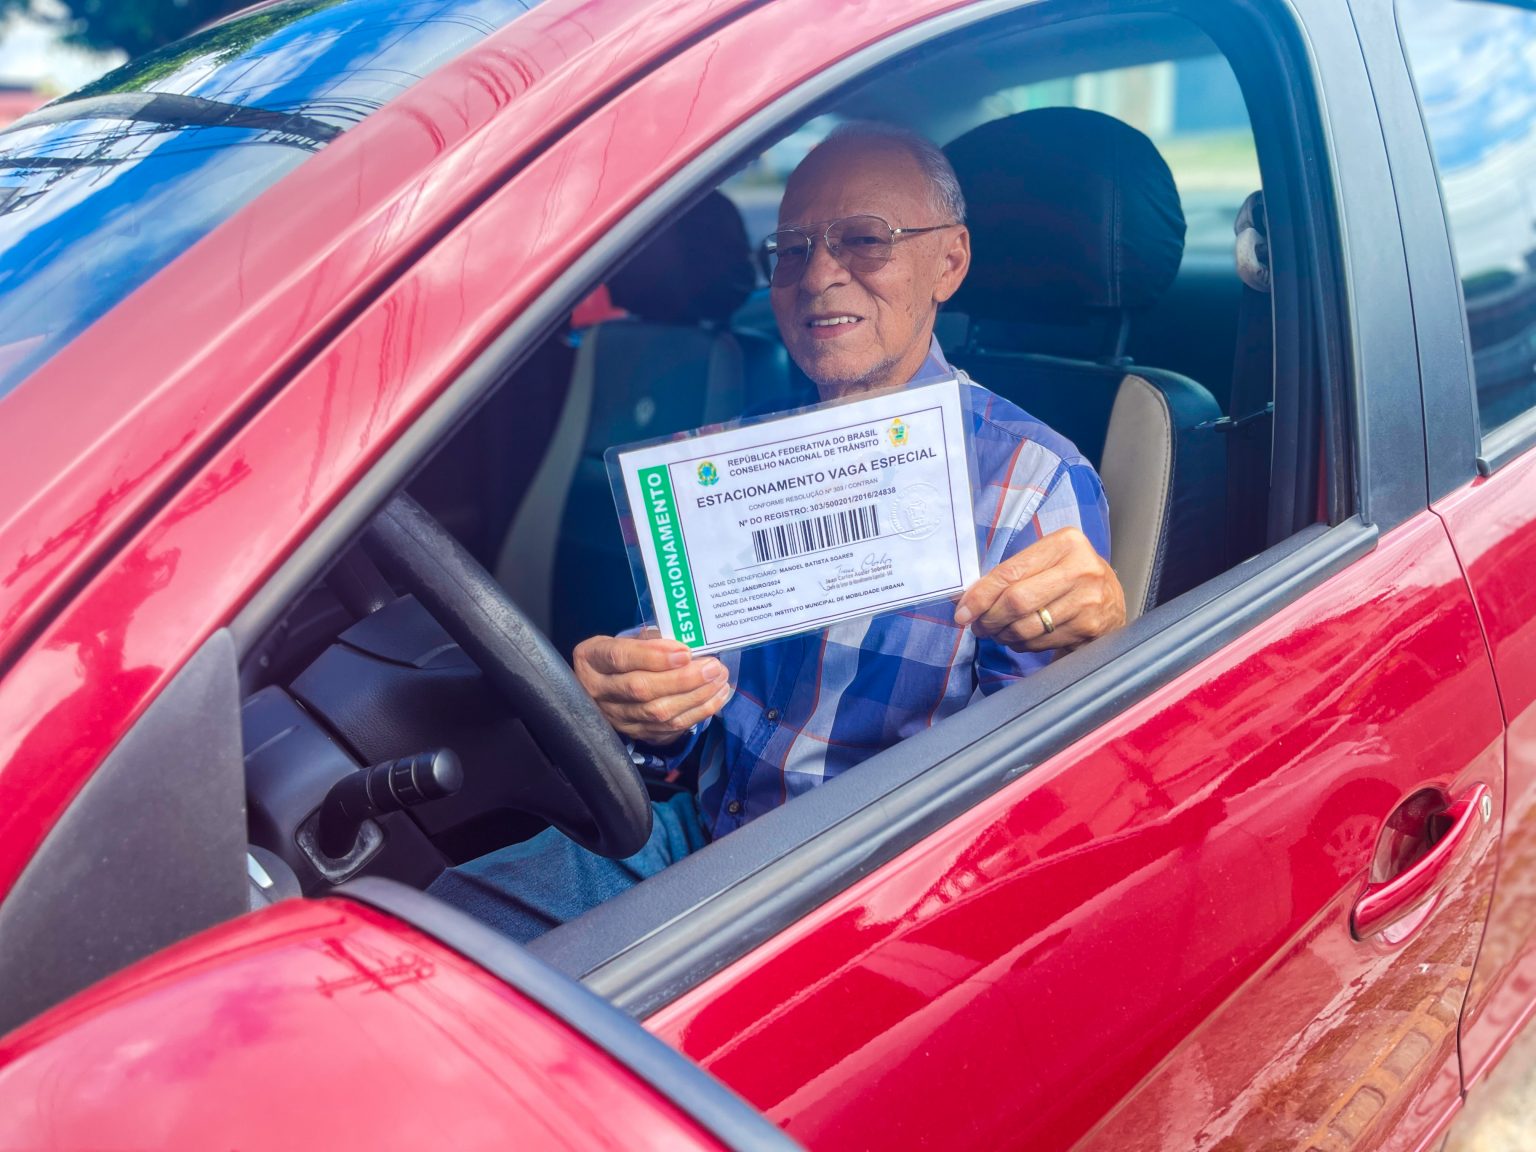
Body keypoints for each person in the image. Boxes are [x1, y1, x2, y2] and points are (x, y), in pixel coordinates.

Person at [428, 122, 1125, 938]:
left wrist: (1092, 648)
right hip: (697, 836)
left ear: (949, 261)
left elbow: (1029, 797)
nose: (818, 276)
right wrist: (641, 704)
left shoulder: (1031, 482)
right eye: (791, 251)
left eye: (864, 239)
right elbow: (686, 735)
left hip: (866, 894)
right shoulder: (736, 466)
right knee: (439, 931)